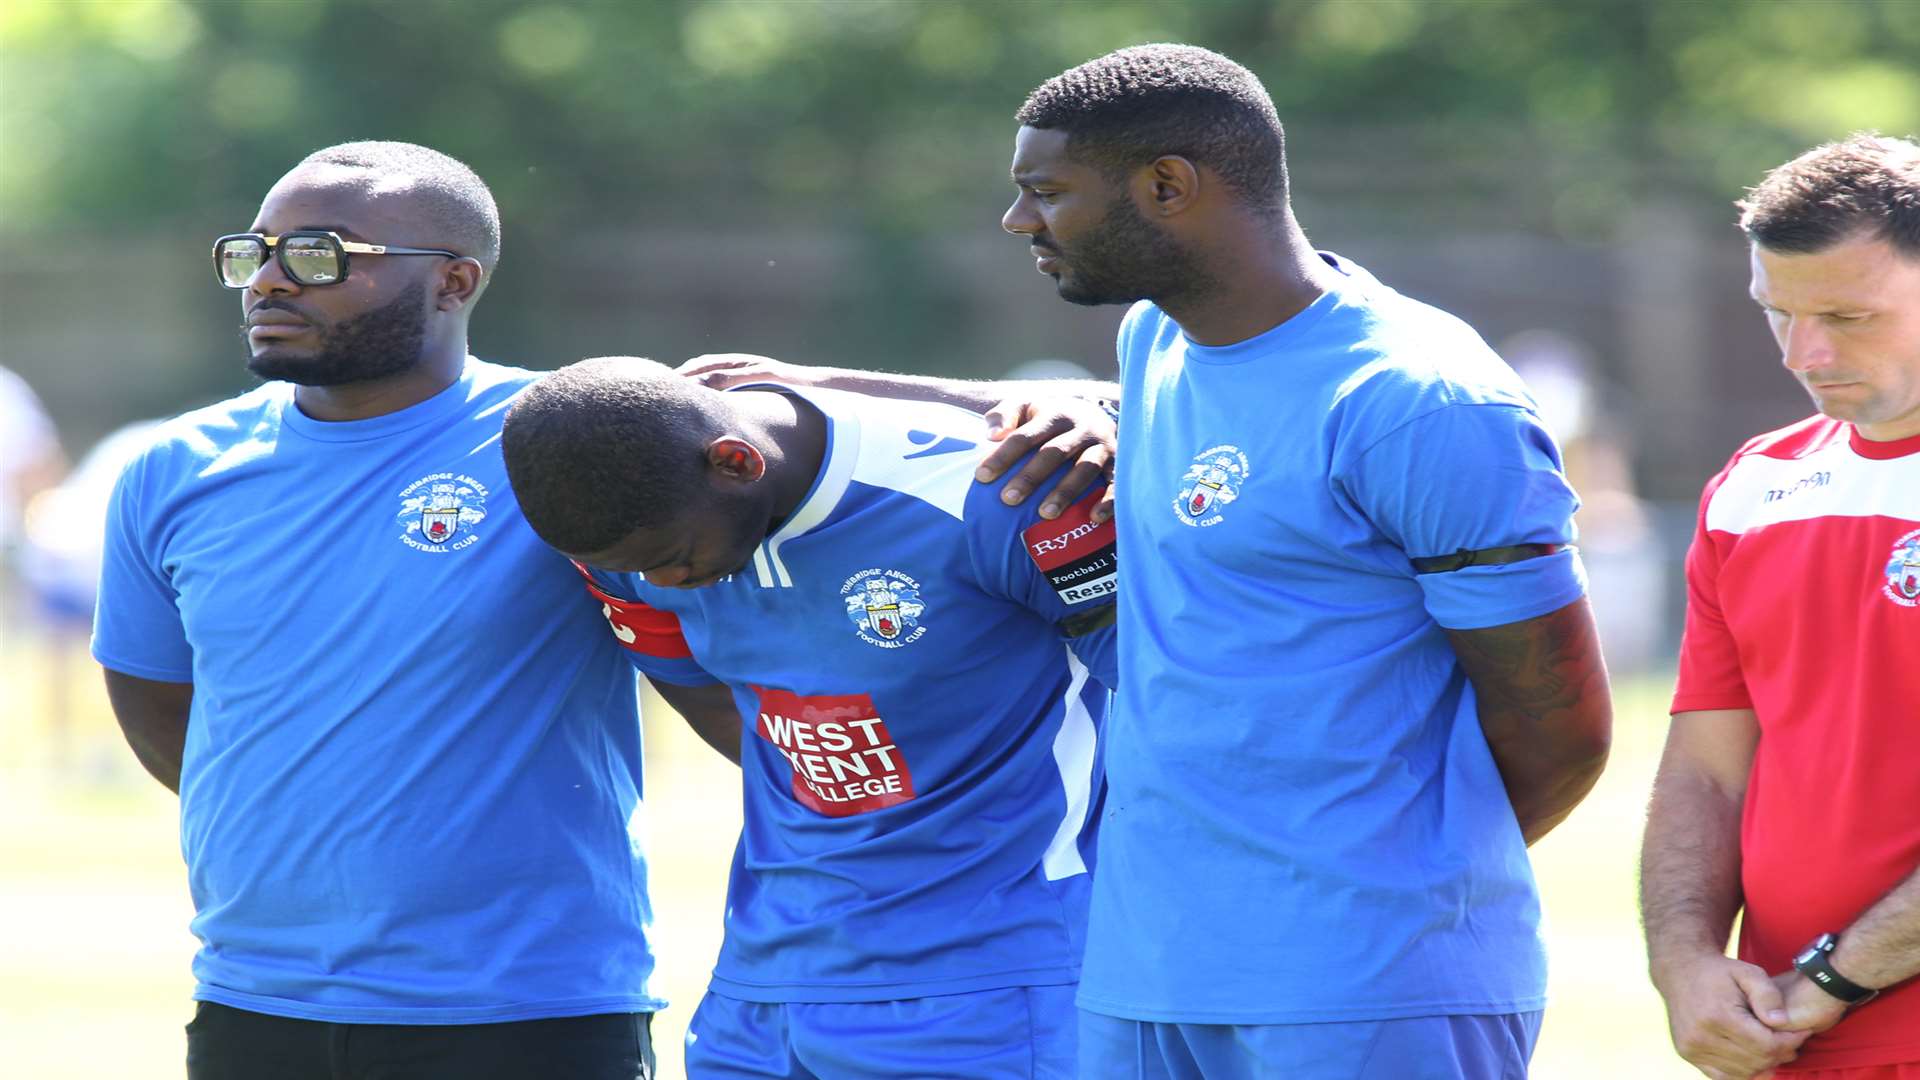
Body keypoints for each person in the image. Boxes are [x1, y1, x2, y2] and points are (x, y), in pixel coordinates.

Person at [687, 43, 1614, 1078]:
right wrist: (827, 383)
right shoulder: (1156, 341)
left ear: (1169, 187)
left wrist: (1388, 891)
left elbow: (1558, 725)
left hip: (1362, 983)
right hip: (1145, 975)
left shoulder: (1418, 400)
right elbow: (1182, 428)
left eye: (1046, 192)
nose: (1018, 221)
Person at [90, 141, 739, 1080]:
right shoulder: (173, 471)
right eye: (255, 252)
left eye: (318, 255)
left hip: (527, 1010)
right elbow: (160, 705)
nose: (269, 281)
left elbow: (727, 694)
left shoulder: (562, 444)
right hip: (253, 1004)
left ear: (454, 281)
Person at [499, 355, 1120, 1079]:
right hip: (757, 998)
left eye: (671, 558)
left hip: (995, 985)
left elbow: (1161, 705)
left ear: (735, 463)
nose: (662, 583)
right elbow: (709, 699)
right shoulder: (629, 540)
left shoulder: (1002, 490)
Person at [1641, 133, 1920, 1080]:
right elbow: (1708, 772)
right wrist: (1684, 965)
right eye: (1778, 313)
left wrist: (1832, 983)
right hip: (1784, 1041)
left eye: (1848, 314)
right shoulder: (1752, 489)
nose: (1806, 352)